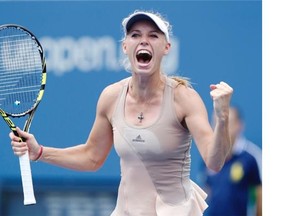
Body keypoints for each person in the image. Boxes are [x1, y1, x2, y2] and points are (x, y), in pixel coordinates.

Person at [9, 10, 233, 216]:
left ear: (166, 47)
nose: (144, 40)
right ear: (125, 46)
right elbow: (92, 157)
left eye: (153, 35)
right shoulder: (111, 96)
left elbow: (214, 162)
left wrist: (222, 119)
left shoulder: (184, 98)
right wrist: (39, 152)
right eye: (135, 35)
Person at [199, 106, 262, 216]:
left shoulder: (251, 157)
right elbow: (208, 192)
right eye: (216, 123)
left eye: (226, 122)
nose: (221, 128)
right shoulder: (207, 158)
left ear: (239, 125)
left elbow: (260, 194)